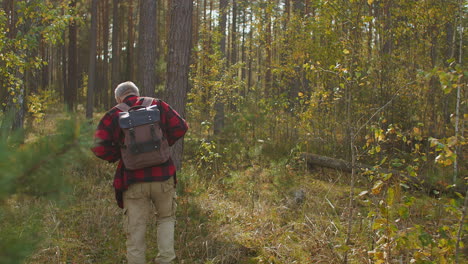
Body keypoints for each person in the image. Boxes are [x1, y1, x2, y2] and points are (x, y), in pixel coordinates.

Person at [91, 81, 188, 264]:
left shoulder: (113, 114)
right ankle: (166, 260)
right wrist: (163, 147)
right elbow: (181, 127)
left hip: (133, 179)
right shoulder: (157, 104)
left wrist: (122, 154)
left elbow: (98, 148)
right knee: (166, 219)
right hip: (163, 175)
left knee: (136, 231)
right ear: (137, 93)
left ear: (119, 98)